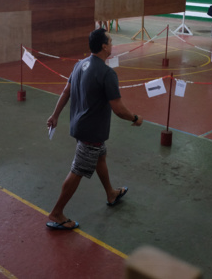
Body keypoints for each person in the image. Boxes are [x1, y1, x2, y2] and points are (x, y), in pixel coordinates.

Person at [45, 28, 143, 230]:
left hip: (80, 126)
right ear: (104, 46)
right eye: (110, 40)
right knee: (78, 169)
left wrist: (55, 115)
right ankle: (57, 213)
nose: (112, 43)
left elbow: (66, 91)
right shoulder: (107, 73)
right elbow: (118, 108)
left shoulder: (79, 65)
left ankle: (111, 193)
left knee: (100, 157)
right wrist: (135, 118)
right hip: (91, 132)